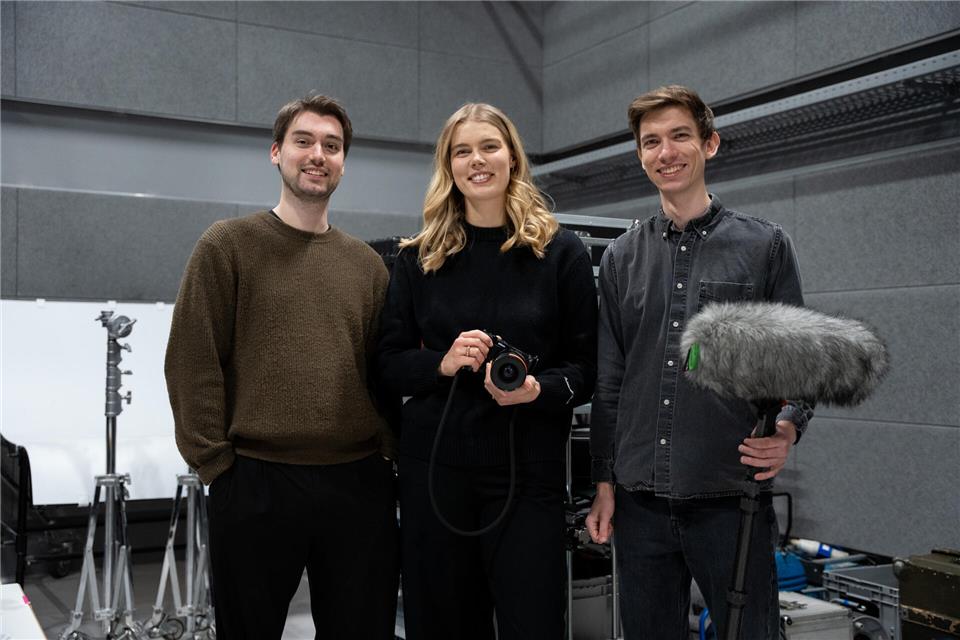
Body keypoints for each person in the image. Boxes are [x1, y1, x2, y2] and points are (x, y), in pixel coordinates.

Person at [164, 94, 398, 640]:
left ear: (343, 162)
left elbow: (380, 371)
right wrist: (216, 467)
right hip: (254, 482)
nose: (318, 154)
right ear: (276, 152)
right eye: (304, 141)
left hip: (356, 483)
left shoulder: (367, 266)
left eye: (332, 146)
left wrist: (385, 453)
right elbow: (192, 360)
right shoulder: (227, 246)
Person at [586, 85, 814, 640]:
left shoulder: (764, 247)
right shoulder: (621, 257)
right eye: (651, 142)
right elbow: (609, 381)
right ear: (641, 156)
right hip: (639, 502)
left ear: (709, 144)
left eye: (680, 136)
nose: (666, 152)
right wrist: (603, 481)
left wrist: (788, 429)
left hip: (728, 497)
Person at [377, 103, 597, 640]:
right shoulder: (419, 257)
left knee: (534, 624)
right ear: (448, 165)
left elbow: (586, 370)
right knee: (443, 626)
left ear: (513, 157)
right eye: (463, 151)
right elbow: (388, 365)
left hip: (528, 475)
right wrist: (444, 364)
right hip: (435, 476)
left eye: (489, 147)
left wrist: (535, 390)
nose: (477, 160)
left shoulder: (559, 253)